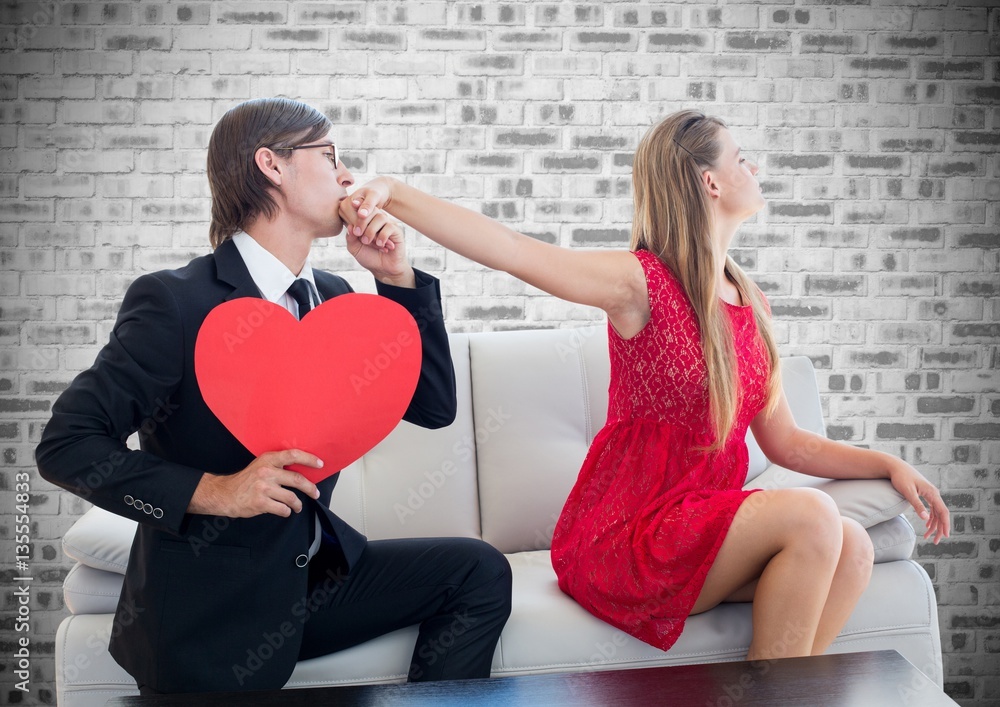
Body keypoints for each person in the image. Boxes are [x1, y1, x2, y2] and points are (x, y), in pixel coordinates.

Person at [338, 110, 951, 660]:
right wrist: (395, 192)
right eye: (741, 157)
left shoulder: (752, 304)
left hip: (704, 533)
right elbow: (510, 250)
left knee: (854, 546)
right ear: (710, 181)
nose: (754, 167)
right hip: (628, 537)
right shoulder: (641, 283)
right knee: (818, 518)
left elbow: (789, 442)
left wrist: (886, 463)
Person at [36, 97, 511, 694]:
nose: (346, 175)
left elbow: (433, 408)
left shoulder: (338, 299)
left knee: (476, 569)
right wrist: (216, 492)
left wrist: (395, 281)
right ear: (272, 165)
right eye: (330, 155)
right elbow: (66, 445)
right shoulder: (175, 303)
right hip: (213, 609)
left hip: (315, 578)